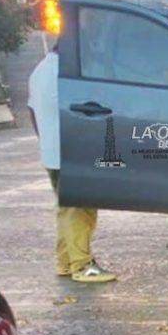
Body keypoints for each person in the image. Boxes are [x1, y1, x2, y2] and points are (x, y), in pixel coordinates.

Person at [28, 48, 116, 283]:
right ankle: (82, 264)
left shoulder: (40, 70)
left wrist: (46, 141)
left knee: (66, 208)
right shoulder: (67, 73)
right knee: (80, 210)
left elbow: (32, 111)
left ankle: (65, 260)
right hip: (72, 151)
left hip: (53, 151)